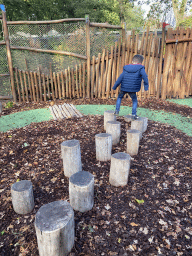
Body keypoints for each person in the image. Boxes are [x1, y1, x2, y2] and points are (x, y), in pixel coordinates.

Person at [112, 54, 149, 119]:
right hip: (132, 89)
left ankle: (117, 111)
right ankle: (134, 114)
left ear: (132, 61)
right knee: (134, 100)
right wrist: (146, 86)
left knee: (119, 97)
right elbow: (145, 77)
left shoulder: (126, 68)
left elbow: (120, 78)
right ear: (140, 62)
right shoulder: (141, 68)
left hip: (123, 88)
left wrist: (115, 86)